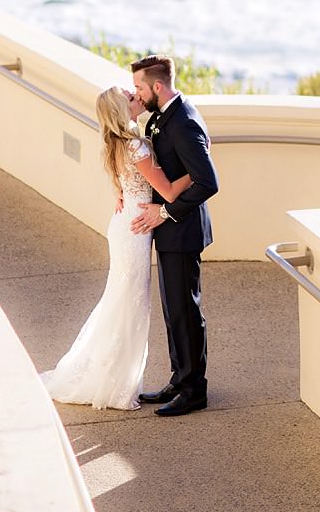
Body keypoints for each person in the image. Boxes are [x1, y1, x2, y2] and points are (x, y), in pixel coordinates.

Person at [41, 86, 192, 410]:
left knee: (122, 301)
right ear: (122, 109)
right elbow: (166, 191)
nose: (134, 95)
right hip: (135, 231)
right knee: (128, 304)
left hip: (126, 226)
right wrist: (194, 174)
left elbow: (128, 185)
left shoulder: (118, 143)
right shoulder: (135, 146)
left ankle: (112, 379)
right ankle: (113, 384)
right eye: (129, 96)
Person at [128, 54, 219, 417]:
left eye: (139, 87)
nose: (137, 93)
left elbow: (208, 182)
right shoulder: (162, 117)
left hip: (183, 231)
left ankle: (195, 390)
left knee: (185, 311)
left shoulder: (183, 122)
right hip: (169, 233)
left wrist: (164, 212)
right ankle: (179, 379)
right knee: (173, 310)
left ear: (157, 86)